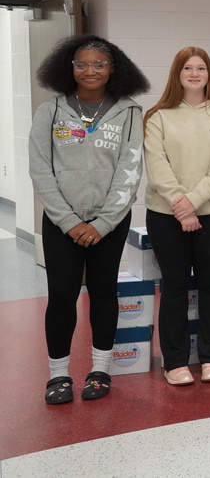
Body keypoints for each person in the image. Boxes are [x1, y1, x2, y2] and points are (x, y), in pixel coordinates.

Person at [29, 35, 149, 404]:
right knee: (61, 296)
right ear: (69, 68)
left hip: (108, 226)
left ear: (114, 69)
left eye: (99, 64)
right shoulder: (50, 111)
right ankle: (59, 375)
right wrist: (69, 221)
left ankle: (100, 370)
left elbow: (130, 171)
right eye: (81, 64)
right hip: (61, 223)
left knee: (103, 293)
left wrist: (101, 223)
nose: (90, 70)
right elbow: (40, 170)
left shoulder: (129, 112)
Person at [144, 47, 210, 386]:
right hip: (166, 214)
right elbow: (157, 168)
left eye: (201, 68)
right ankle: (175, 362)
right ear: (177, 73)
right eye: (188, 68)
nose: (195, 73)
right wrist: (180, 204)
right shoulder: (158, 116)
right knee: (173, 286)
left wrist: (194, 202)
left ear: (209, 74)